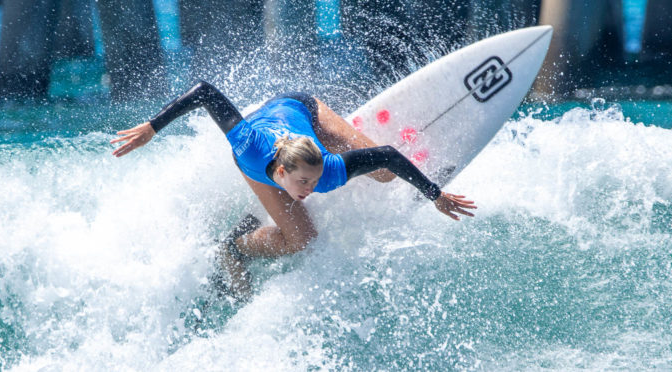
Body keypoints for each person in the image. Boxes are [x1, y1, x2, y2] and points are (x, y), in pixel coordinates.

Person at [111, 81, 476, 300]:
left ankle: (334, 137)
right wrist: (152, 127)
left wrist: (435, 194)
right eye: (305, 184)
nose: (313, 189)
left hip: (302, 108)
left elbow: (388, 156)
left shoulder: (329, 172)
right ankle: (234, 246)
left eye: (315, 182)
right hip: (258, 160)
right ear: (284, 172)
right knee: (301, 239)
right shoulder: (247, 144)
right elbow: (206, 92)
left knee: (383, 174)